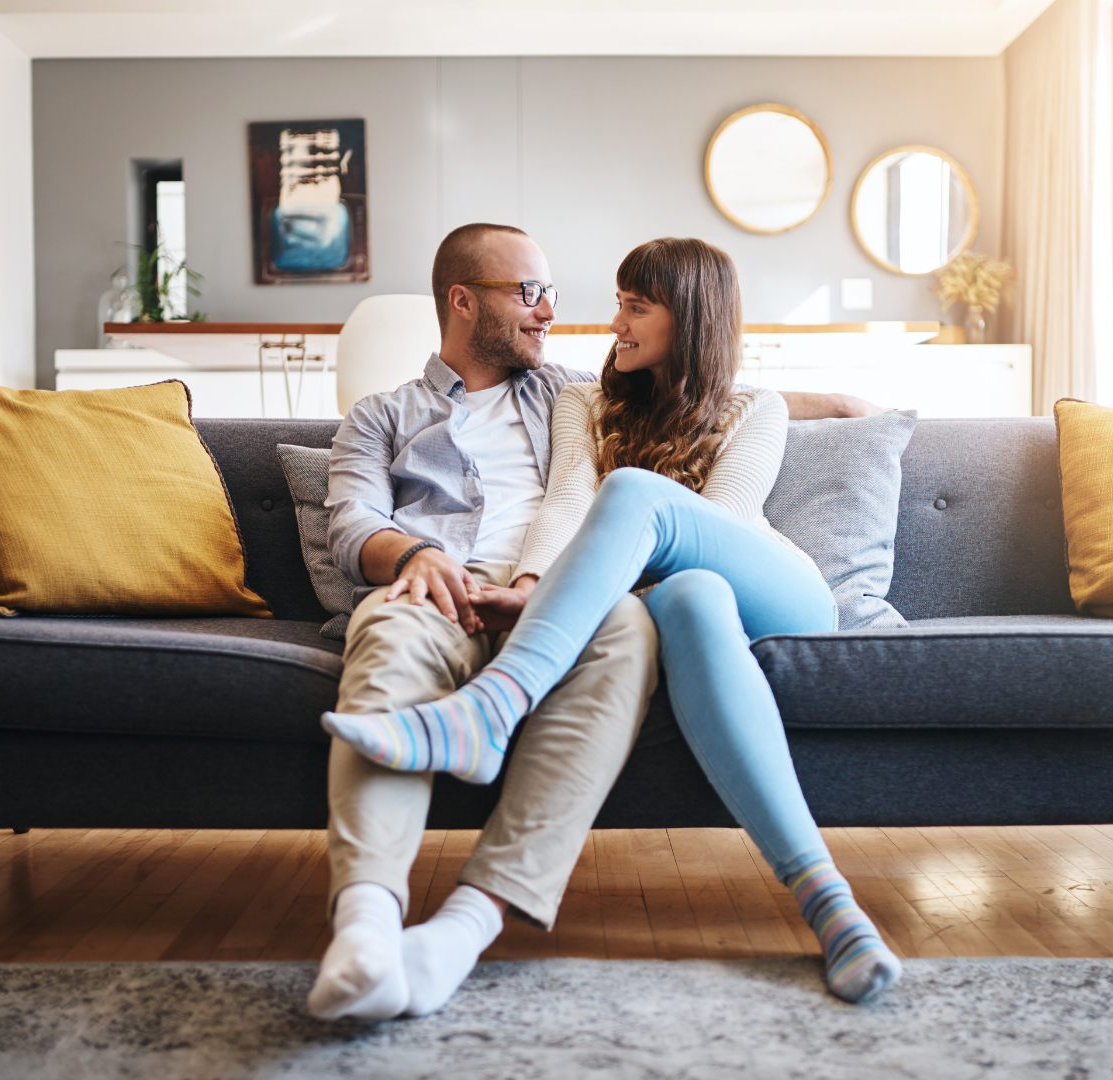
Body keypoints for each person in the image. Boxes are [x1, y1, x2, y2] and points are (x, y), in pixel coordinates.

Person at [313, 223, 876, 1021]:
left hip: (628, 590)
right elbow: (355, 526)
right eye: (530, 293)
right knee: (670, 602)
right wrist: (411, 556)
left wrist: (846, 405)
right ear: (464, 302)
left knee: (635, 570)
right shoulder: (389, 414)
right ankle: (368, 930)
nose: (554, 313)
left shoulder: (567, 388)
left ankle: (490, 726)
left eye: (627, 306)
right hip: (450, 586)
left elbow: (700, 411)